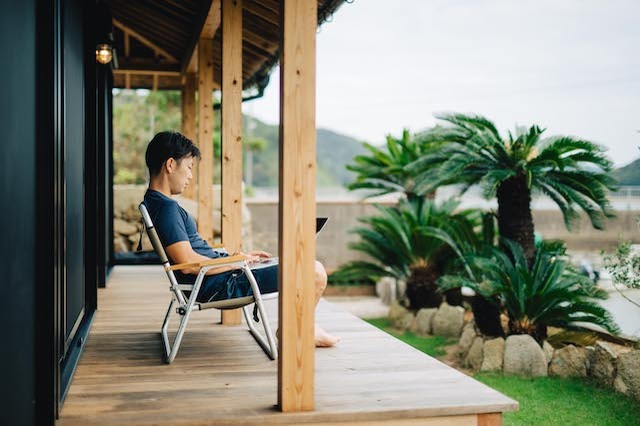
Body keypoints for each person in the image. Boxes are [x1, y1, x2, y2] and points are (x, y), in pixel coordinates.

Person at [143, 131, 340, 347]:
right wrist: (236, 262)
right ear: (170, 165)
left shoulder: (156, 203)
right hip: (220, 285)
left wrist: (235, 257)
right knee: (314, 271)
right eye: (189, 167)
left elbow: (190, 258)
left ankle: (298, 328)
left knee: (294, 262)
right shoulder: (167, 208)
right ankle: (301, 330)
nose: (191, 176)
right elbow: (188, 263)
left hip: (223, 275)